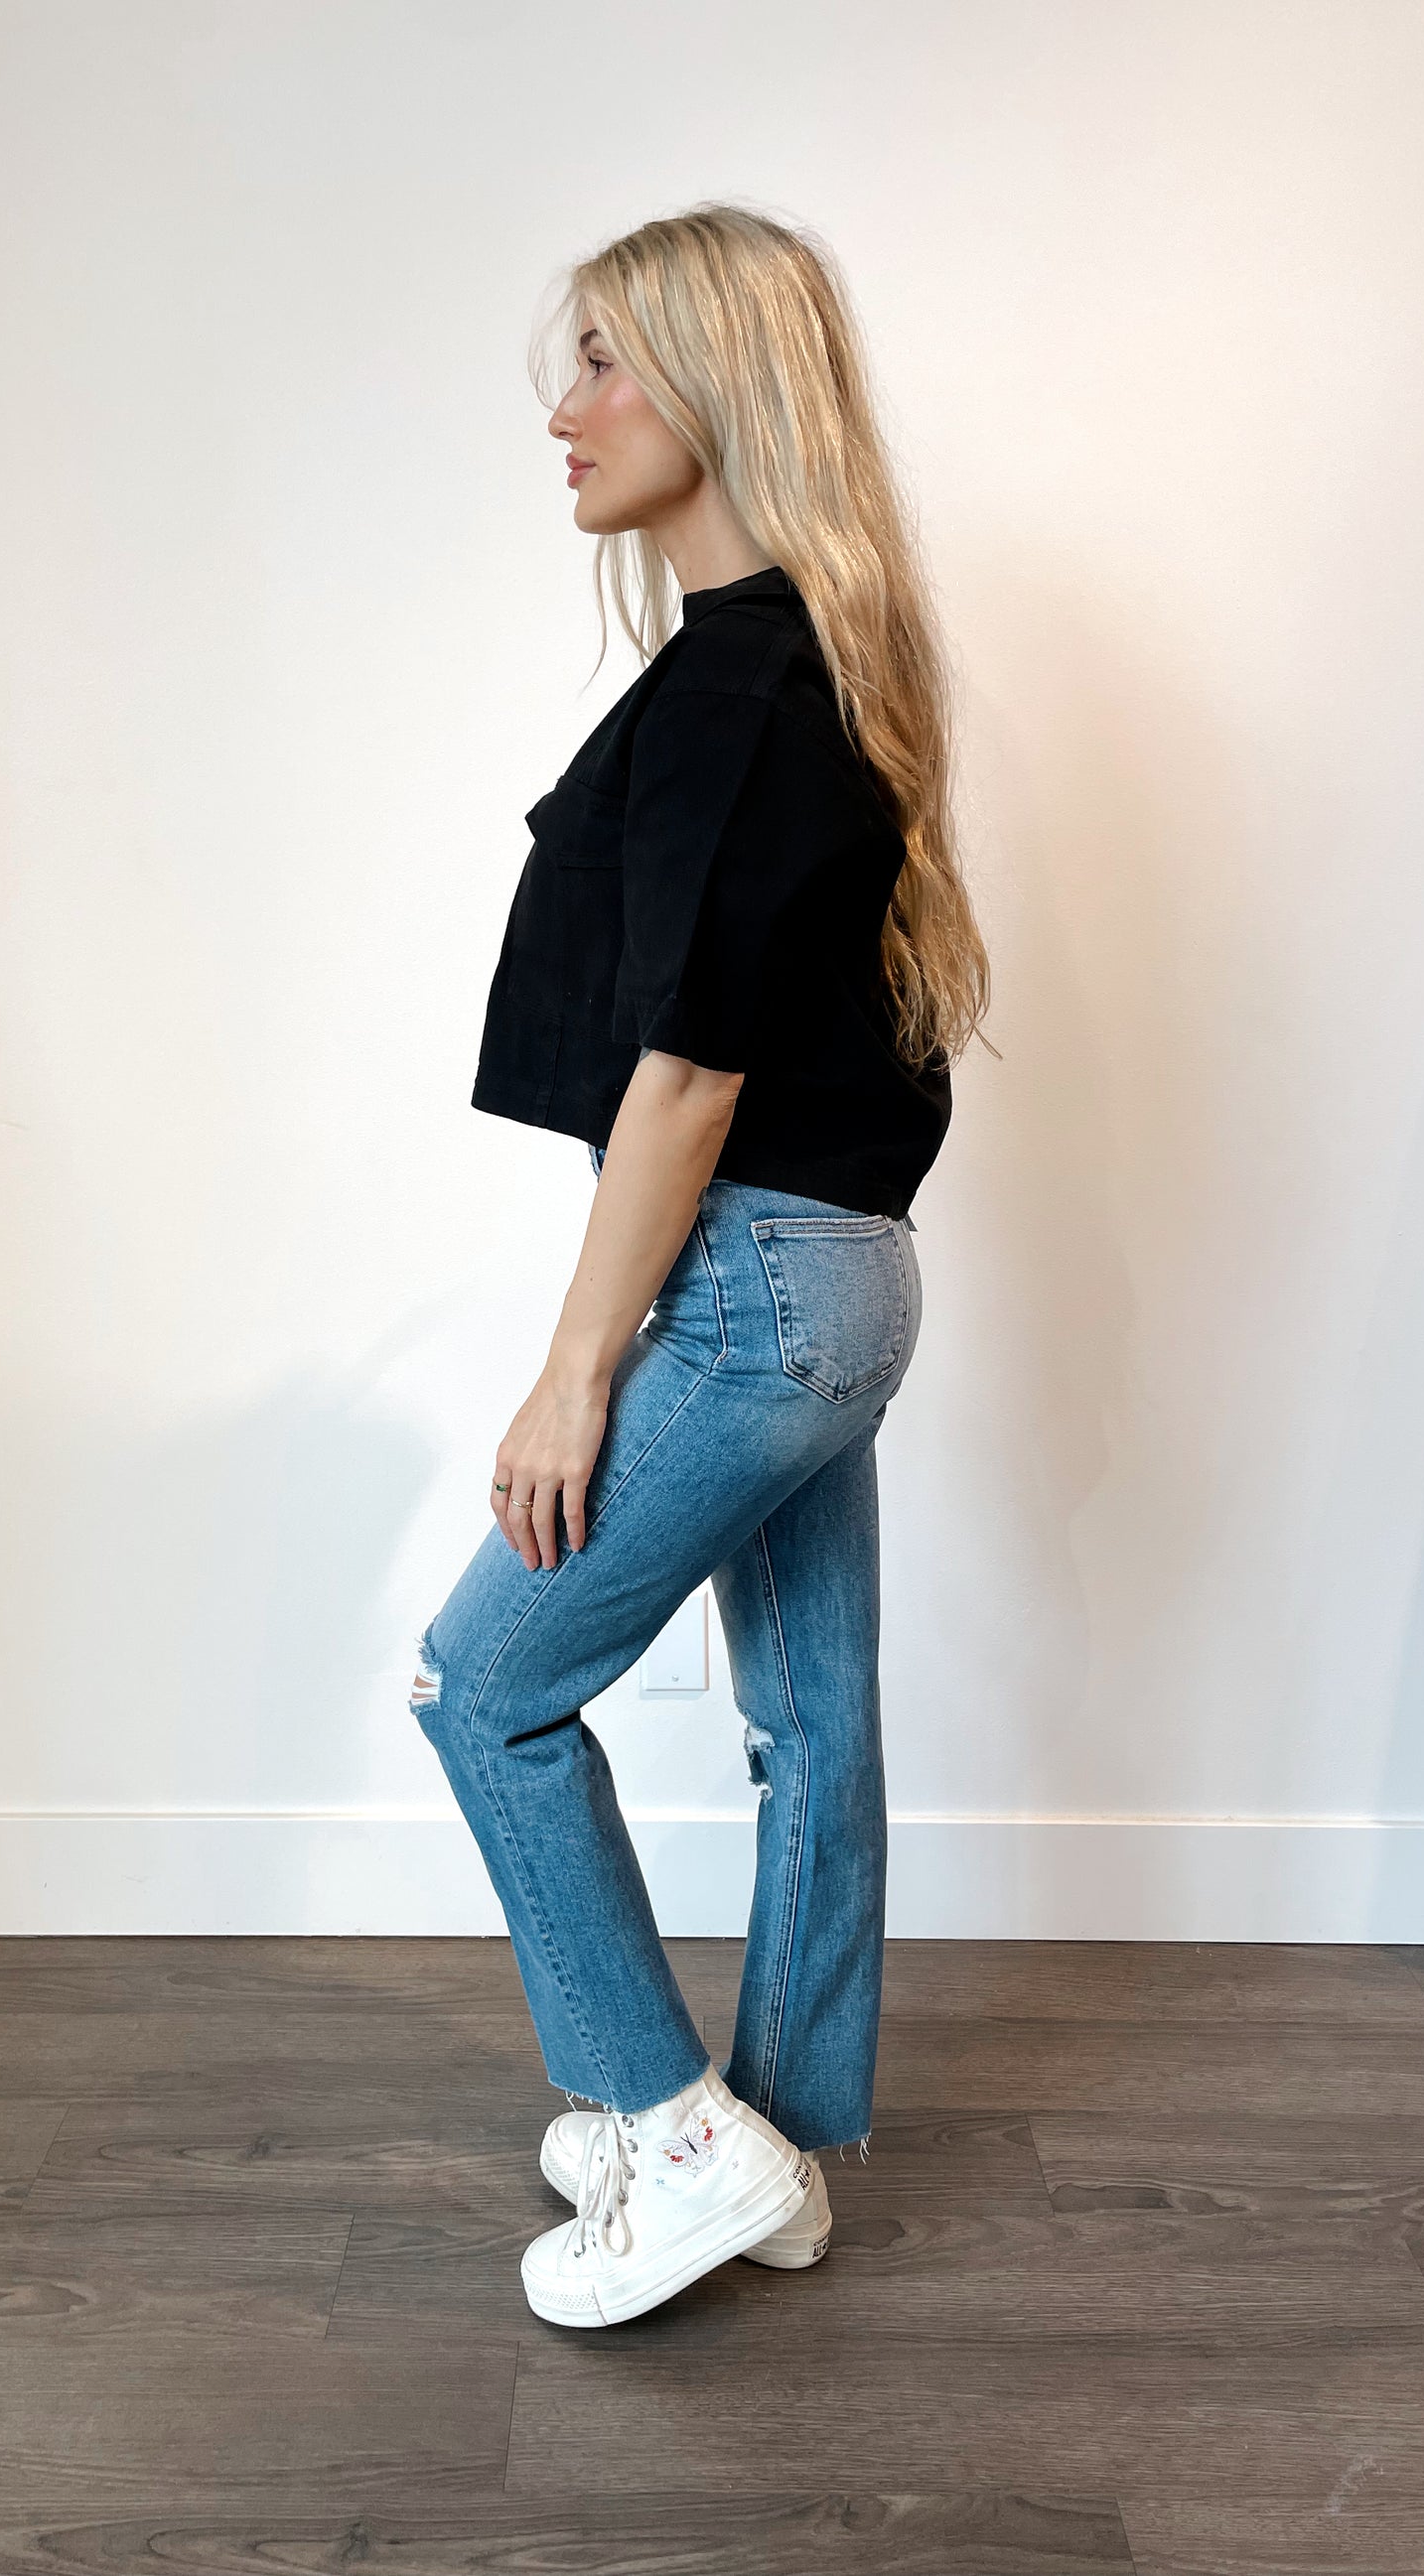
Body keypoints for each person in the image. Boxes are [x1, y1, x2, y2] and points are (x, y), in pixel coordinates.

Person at [408, 203, 989, 2329]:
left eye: (604, 363)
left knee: (482, 1686)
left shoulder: (744, 682)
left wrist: (575, 1370)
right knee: (809, 1722)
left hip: (754, 1291)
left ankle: (671, 2132)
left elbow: (685, 1074)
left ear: (720, 387)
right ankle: (785, 2155)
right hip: (835, 1284)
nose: (562, 412)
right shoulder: (798, 658)